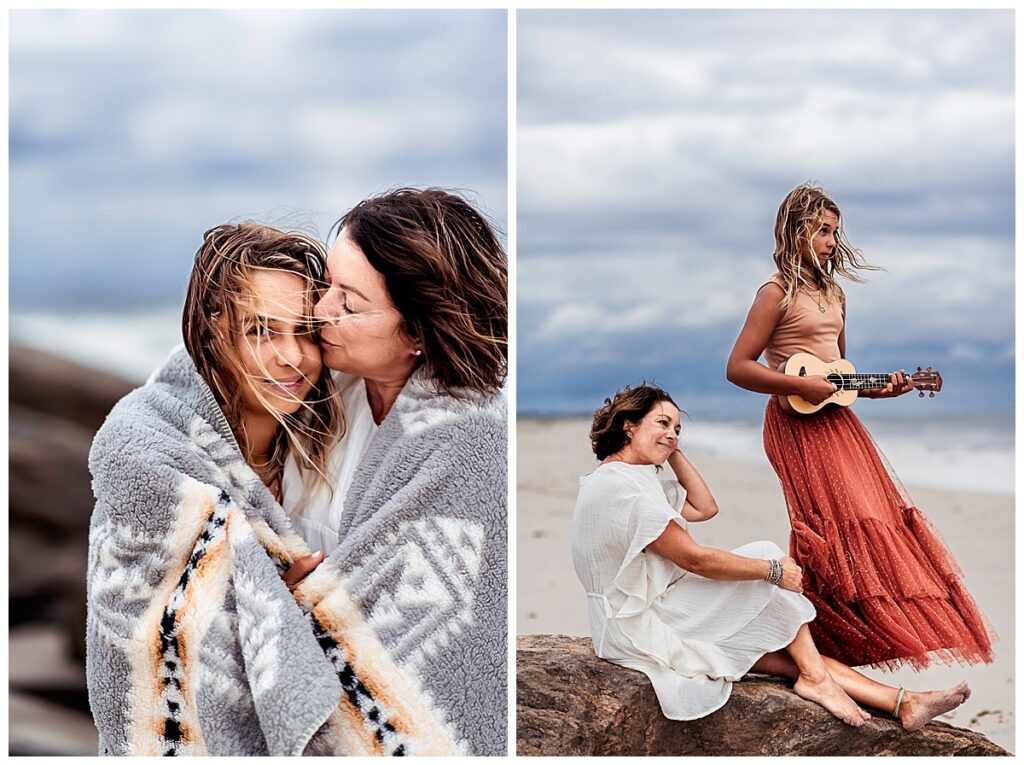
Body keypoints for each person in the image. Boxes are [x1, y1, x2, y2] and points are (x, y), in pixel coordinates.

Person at [87, 223, 469, 756]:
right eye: (261, 331)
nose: (290, 357)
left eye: (306, 330)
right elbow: (145, 639)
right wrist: (274, 596)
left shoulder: (330, 443)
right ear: (211, 331)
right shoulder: (159, 456)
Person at [571, 383, 972, 729]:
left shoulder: (623, 480)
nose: (673, 434)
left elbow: (704, 506)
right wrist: (774, 571)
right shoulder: (624, 489)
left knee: (785, 653)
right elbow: (695, 559)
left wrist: (669, 446)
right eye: (662, 423)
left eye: (678, 428)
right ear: (629, 425)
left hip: (635, 616)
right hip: (640, 622)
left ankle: (903, 703)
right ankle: (818, 678)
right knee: (765, 555)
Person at [725, 183, 994, 670]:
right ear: (796, 230)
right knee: (829, 528)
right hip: (795, 425)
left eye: (834, 232)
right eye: (822, 231)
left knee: (873, 519)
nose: (830, 241)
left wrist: (881, 388)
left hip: (838, 422)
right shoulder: (774, 293)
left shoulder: (834, 293)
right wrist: (798, 386)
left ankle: (841, 644)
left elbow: (841, 372)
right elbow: (738, 367)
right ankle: (818, 639)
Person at [283, 187, 509, 755]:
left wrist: (309, 598)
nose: (320, 310)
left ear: (417, 332)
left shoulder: (470, 439)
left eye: (349, 304)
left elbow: (439, 619)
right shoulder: (312, 386)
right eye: (326, 284)